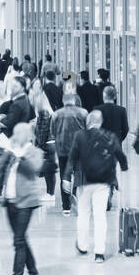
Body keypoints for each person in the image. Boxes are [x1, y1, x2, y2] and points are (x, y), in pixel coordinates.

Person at [0, 123, 46, 275]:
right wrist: (7, 153)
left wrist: (21, 155)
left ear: (26, 135)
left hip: (27, 202)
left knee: (18, 240)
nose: (14, 136)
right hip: (10, 201)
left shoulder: (34, 151)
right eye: (14, 133)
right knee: (21, 239)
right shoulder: (11, 152)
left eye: (18, 133)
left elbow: (34, 168)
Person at [72, 111, 128, 264]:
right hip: (103, 181)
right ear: (101, 122)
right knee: (100, 215)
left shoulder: (79, 135)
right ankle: (99, 252)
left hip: (83, 181)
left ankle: (82, 246)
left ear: (88, 122)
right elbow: (121, 156)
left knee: (83, 214)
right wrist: (124, 168)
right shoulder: (110, 136)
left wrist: (65, 178)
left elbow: (72, 158)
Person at [51, 94, 88, 215]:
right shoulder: (83, 113)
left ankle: (65, 206)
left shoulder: (56, 114)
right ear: (74, 101)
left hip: (62, 149)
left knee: (64, 177)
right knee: (79, 175)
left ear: (63, 101)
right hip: (79, 149)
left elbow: (53, 131)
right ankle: (76, 199)